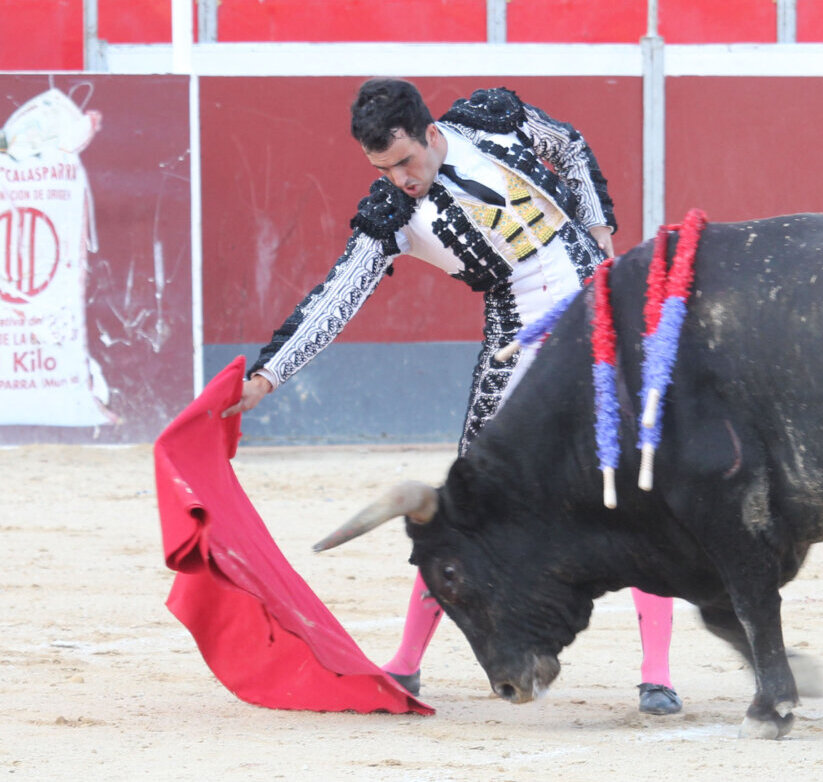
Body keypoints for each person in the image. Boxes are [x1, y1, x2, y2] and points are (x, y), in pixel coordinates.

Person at [222, 78, 682, 715]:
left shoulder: (494, 121)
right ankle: (405, 663)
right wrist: (267, 376)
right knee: (466, 512)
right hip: (514, 345)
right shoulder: (393, 215)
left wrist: (599, 227)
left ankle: (656, 674)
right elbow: (335, 298)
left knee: (630, 485)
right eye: (384, 168)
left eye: (406, 161)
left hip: (598, 314)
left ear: (432, 134)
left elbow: (570, 146)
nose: (401, 179)